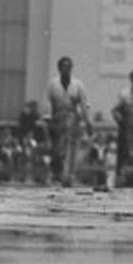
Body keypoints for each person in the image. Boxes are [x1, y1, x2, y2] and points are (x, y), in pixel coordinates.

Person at [46, 56, 92, 187]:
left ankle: (70, 176)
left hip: (73, 120)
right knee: (57, 150)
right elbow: (48, 103)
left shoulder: (78, 85)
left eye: (69, 67)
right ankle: (57, 175)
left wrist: (88, 122)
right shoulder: (52, 84)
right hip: (57, 119)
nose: (66, 69)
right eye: (63, 67)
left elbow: (84, 104)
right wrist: (48, 119)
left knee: (72, 150)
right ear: (59, 68)